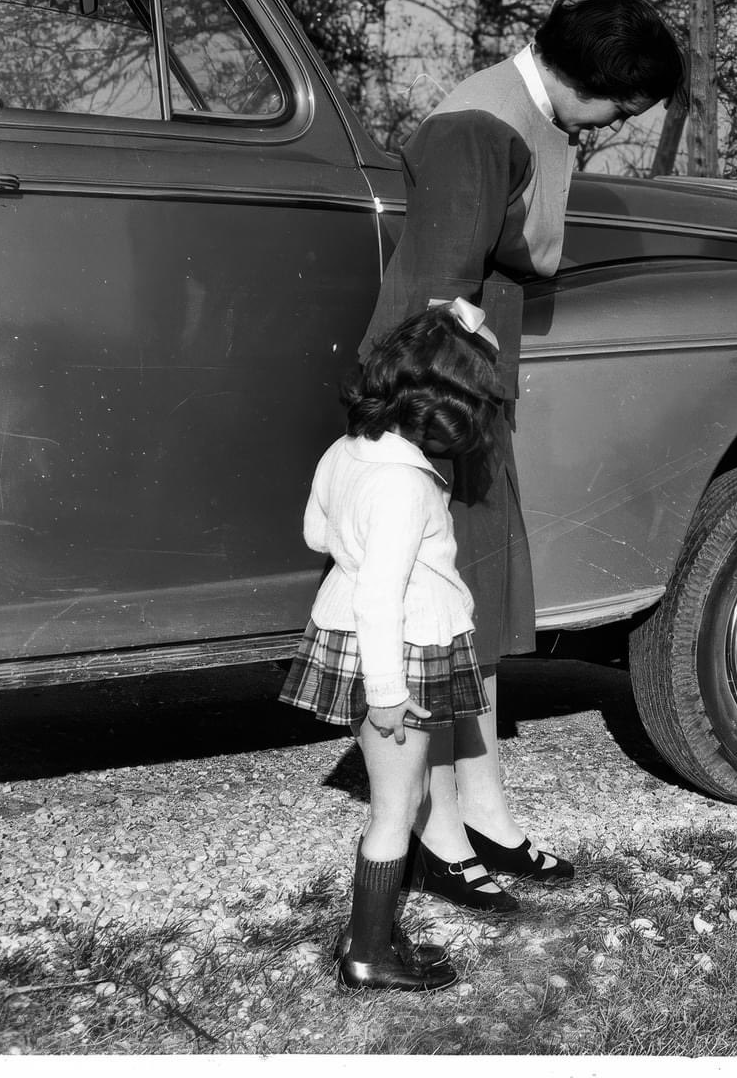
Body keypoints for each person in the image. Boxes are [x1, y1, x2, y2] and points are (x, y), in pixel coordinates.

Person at [361, 0, 685, 912]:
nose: (622, 122)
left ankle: (485, 807)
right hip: (442, 399)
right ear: (586, 80)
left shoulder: (527, 114)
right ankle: (433, 826)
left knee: (485, 603)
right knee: (443, 611)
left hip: (473, 389)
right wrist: (444, 430)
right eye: (621, 105)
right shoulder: (478, 125)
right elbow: (438, 296)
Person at [277, 300, 504, 992]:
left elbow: (317, 532)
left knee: (395, 802)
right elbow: (382, 597)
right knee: (396, 810)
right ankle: (370, 953)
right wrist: (388, 697)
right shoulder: (405, 484)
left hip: (350, 631)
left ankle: (372, 933)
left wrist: (355, 540)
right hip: (398, 652)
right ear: (449, 405)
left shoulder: (348, 450)